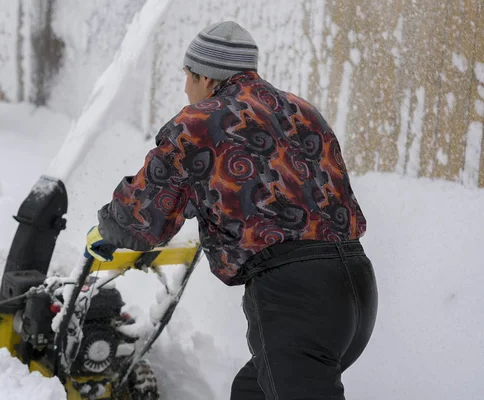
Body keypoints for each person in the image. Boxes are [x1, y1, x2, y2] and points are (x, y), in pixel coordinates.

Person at [84, 21, 378, 400]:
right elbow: (268, 187)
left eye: (188, 77)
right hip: (355, 286)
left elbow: (143, 217)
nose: (186, 88)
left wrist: (108, 229)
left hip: (294, 297)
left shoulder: (199, 122)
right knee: (251, 392)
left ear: (206, 77)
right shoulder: (301, 111)